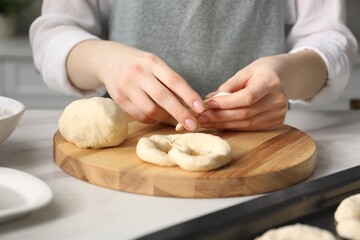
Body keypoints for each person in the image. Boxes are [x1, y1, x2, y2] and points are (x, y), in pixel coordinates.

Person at [30, 0, 358, 131]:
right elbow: (53, 33)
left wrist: (287, 75)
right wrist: (104, 59)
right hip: (127, 147)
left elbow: (327, 37)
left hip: (262, 146)